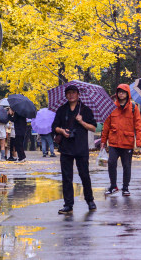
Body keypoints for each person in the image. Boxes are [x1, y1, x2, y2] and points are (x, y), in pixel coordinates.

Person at [52, 84, 97, 214]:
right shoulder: (62, 110)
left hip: (81, 147)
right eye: (68, 93)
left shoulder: (85, 110)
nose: (71, 95)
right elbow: (54, 126)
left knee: (84, 175)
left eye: (73, 92)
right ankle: (68, 204)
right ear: (66, 95)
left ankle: (90, 200)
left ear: (78, 94)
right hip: (66, 147)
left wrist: (82, 122)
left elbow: (94, 128)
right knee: (67, 177)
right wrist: (61, 130)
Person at [101, 84, 141, 196]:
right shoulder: (112, 107)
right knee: (111, 163)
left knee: (127, 165)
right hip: (114, 142)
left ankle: (125, 187)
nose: (121, 94)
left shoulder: (134, 108)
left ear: (127, 94)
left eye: (123, 92)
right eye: (119, 92)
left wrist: (139, 141)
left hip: (127, 142)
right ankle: (113, 185)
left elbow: (138, 125)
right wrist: (103, 141)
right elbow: (106, 125)